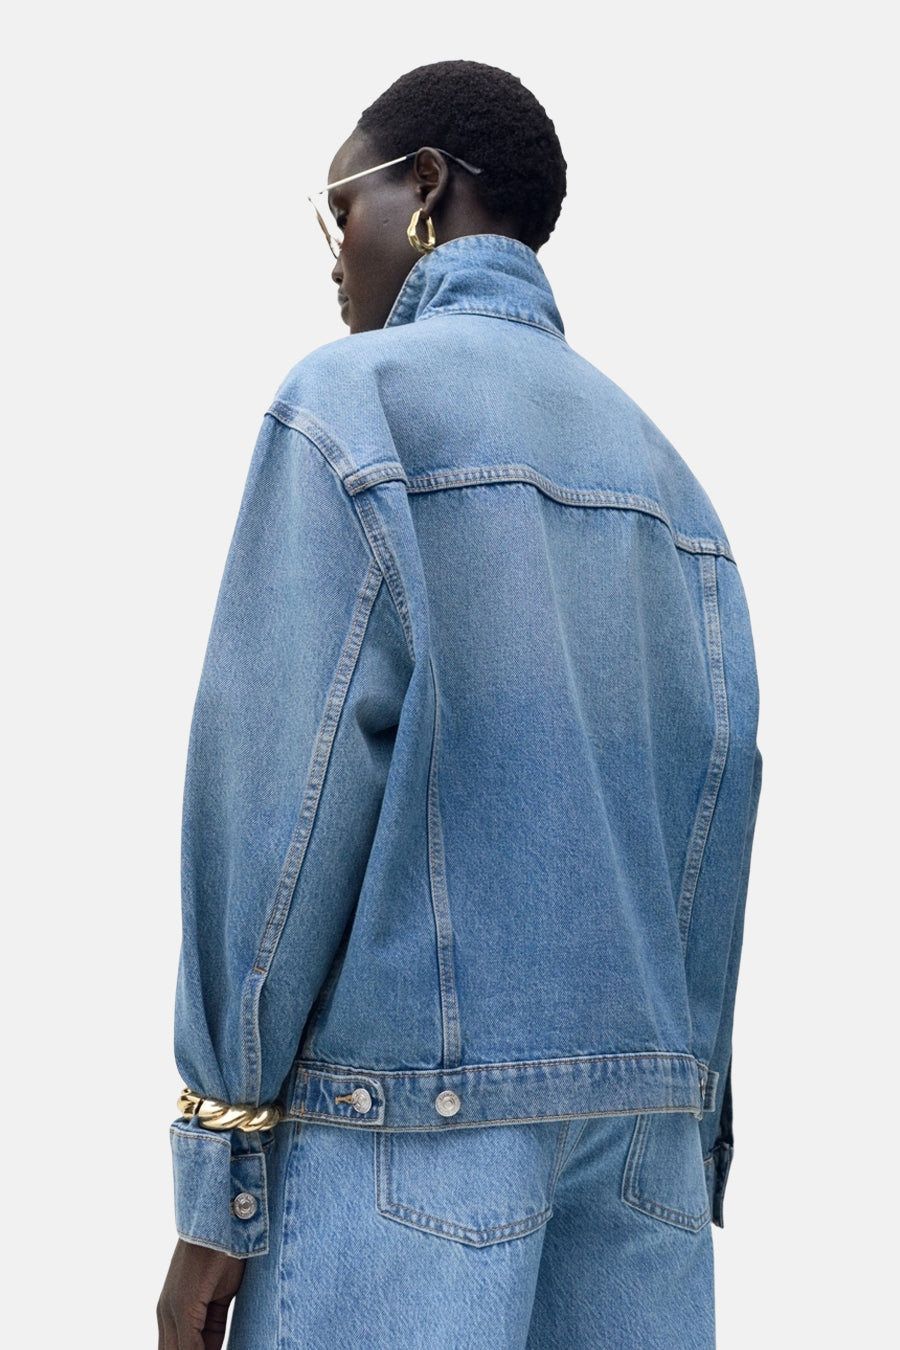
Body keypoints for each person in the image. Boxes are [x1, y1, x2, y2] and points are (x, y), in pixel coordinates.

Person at [157, 60, 761, 1350]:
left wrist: (220, 1168)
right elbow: (718, 816)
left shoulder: (354, 405)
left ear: (425, 186)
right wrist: (687, 1122)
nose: (336, 257)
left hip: (406, 1151)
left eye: (343, 208)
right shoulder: (671, 481)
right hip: (641, 1161)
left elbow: (279, 807)